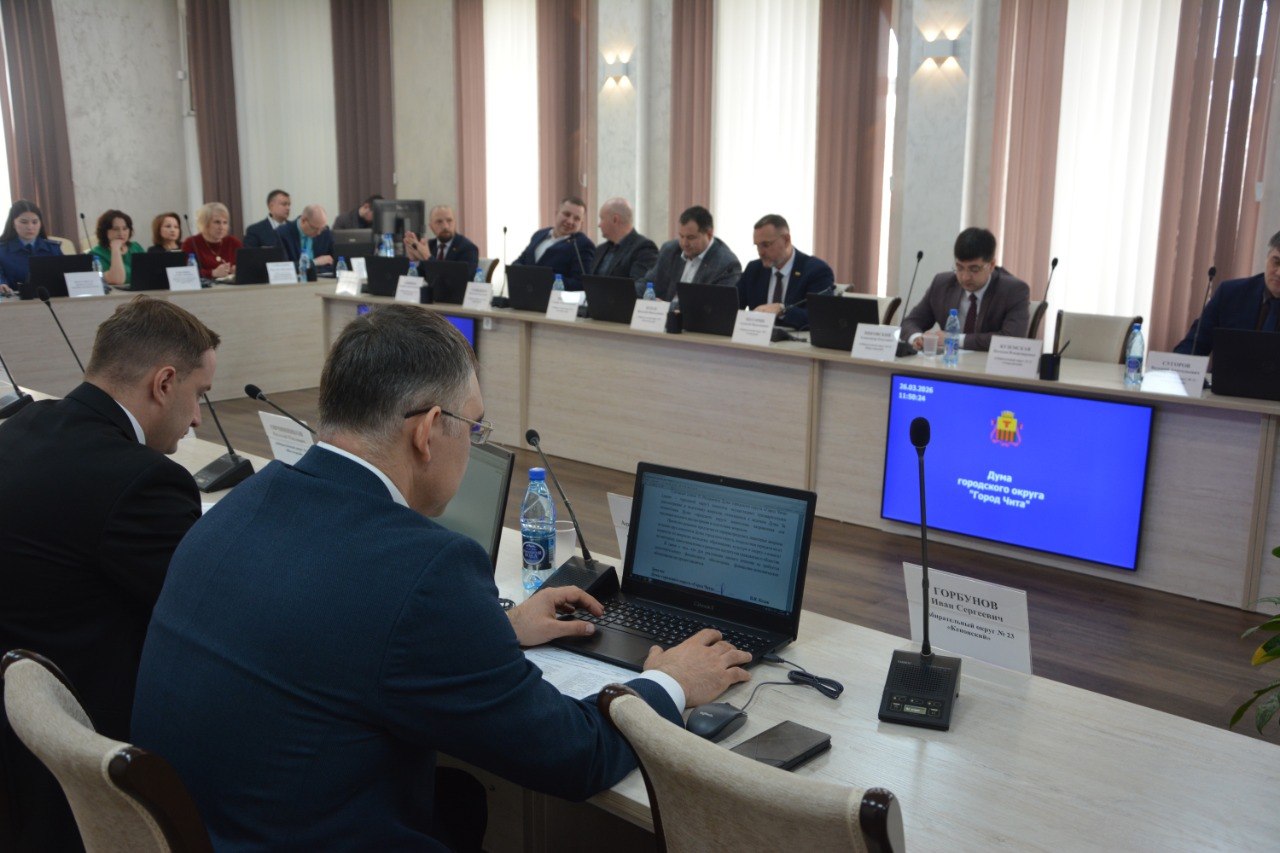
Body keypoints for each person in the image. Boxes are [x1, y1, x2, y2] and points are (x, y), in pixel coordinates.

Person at [131, 305, 751, 850]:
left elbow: (337, 629)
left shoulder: (244, 502)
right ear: (428, 431)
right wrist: (669, 683)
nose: (474, 442)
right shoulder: (425, 568)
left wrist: (498, 629)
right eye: (474, 427)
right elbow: (572, 756)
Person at [0, 296, 219, 852]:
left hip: (20, 727)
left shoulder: (21, 426)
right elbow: (208, 615)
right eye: (199, 395)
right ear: (164, 383)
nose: (197, 418)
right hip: (92, 747)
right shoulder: (143, 480)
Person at [899, 227, 1030, 352]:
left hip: (988, 365)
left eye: (974, 269)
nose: (965, 277)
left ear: (991, 265)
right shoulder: (942, 284)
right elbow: (910, 322)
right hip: (948, 362)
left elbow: (1011, 339)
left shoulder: (1014, 290)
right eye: (960, 268)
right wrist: (917, 338)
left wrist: (954, 340)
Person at [1175, 231, 1280, 355]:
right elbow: (1195, 344)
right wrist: (1177, 365)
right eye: (1276, 262)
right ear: (1267, 258)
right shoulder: (1231, 293)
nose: (1278, 273)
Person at [736, 214, 834, 330]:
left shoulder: (816, 270)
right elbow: (733, 306)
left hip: (797, 340)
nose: (760, 252)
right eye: (757, 246)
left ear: (786, 240)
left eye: (766, 245)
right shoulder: (754, 269)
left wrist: (783, 310)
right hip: (756, 338)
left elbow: (820, 317)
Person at [640, 205, 742, 301]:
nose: (684, 243)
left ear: (709, 234)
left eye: (691, 237)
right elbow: (648, 283)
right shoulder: (670, 250)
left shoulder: (726, 264)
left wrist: (667, 307)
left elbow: (713, 306)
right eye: (681, 236)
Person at [514, 196, 596, 290]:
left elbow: (581, 283)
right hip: (524, 294)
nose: (570, 221)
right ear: (556, 213)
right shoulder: (539, 234)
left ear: (581, 223)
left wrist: (543, 278)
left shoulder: (583, 245)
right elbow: (520, 261)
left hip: (555, 298)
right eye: (567, 214)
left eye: (576, 219)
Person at [0, 200, 62, 295]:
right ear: (13, 224)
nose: (30, 227)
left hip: (52, 299)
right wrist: (2, 285)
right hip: (14, 301)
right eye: (24, 222)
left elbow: (66, 275)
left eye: (35, 222)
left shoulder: (53, 249)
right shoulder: (2, 250)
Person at [590, 197, 658, 280]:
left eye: (602, 218)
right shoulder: (600, 250)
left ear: (615, 219)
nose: (599, 225)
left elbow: (640, 284)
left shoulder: (644, 248)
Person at [404, 204, 480, 272]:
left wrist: (427, 257)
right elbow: (423, 277)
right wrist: (415, 261)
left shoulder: (468, 248)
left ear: (455, 223)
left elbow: (460, 279)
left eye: (449, 220)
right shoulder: (429, 245)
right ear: (431, 226)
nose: (445, 226)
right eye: (439, 222)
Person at [180, 202, 241, 280]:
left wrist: (238, 270)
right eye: (217, 222)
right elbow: (185, 273)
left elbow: (247, 266)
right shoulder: (191, 243)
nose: (221, 227)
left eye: (225, 222)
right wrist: (212, 273)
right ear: (205, 223)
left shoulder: (233, 242)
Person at [274, 204, 336, 276]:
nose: (319, 233)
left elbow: (335, 261)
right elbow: (283, 267)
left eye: (322, 228)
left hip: (322, 278)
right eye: (315, 228)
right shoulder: (282, 233)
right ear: (303, 221)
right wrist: (314, 262)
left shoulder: (325, 232)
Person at [89, 209, 145, 288]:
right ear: (105, 231)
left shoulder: (135, 247)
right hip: (115, 294)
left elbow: (149, 274)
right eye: (115, 229)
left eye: (125, 228)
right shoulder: (96, 253)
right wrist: (115, 249)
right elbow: (117, 280)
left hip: (142, 291)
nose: (121, 233)